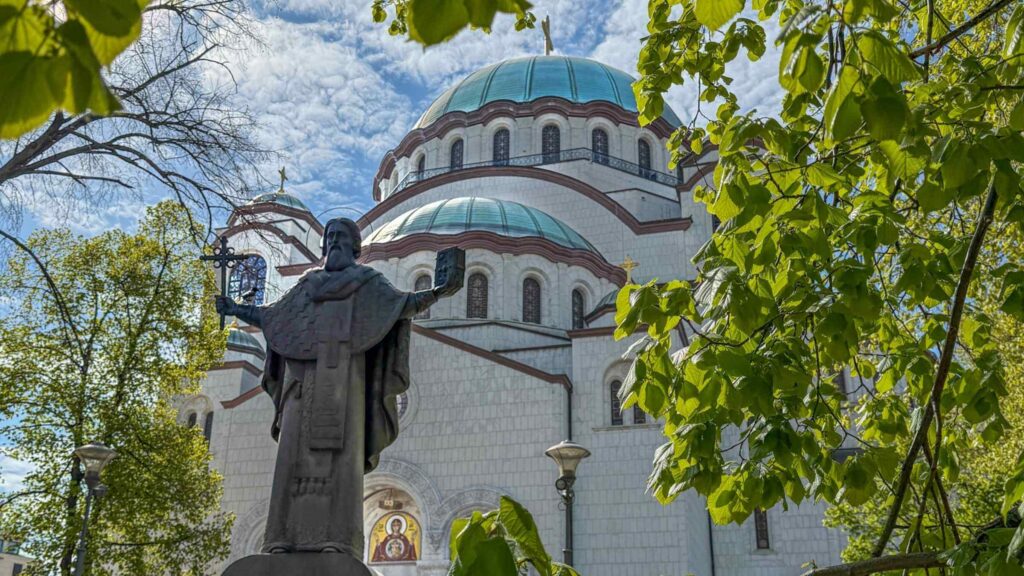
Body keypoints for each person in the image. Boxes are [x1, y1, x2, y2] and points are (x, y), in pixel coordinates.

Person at [216, 218, 462, 556]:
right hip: (301, 390)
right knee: (290, 460)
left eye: (341, 237)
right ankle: (279, 540)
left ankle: (338, 540)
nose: (333, 242)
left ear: (355, 246)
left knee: (342, 462)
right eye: (329, 236)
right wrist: (237, 309)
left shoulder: (368, 283)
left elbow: (401, 305)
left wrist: (438, 291)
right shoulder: (308, 284)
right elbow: (274, 318)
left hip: (346, 387)